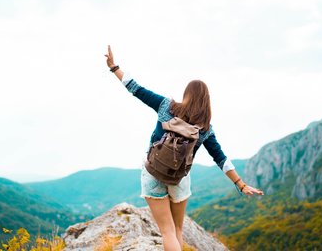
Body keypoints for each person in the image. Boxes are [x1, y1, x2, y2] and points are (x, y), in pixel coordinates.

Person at [105, 45, 264, 251]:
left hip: (153, 171)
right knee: (177, 230)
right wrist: (241, 184)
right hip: (179, 178)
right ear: (206, 101)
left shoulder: (165, 106)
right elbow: (221, 159)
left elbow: (136, 88)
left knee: (167, 231)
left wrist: (114, 67)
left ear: (186, 94)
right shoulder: (204, 129)